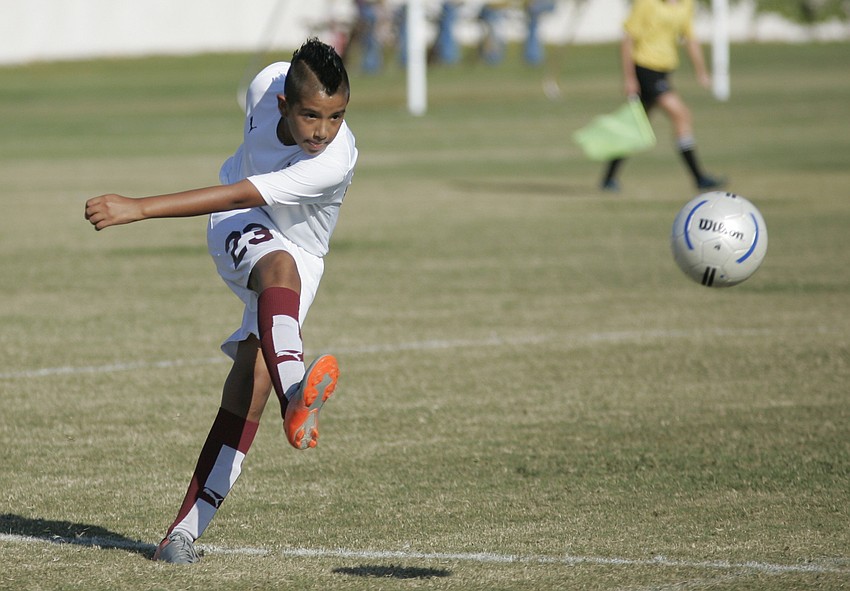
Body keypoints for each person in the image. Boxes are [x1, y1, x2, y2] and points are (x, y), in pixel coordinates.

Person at [84, 38, 358, 564]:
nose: (323, 131)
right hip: (241, 224)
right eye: (310, 115)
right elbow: (237, 196)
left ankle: (181, 534)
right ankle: (297, 389)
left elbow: (252, 190)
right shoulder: (265, 85)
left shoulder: (334, 159)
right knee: (275, 270)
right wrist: (138, 208)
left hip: (302, 252)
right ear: (282, 103)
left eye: (337, 116)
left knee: (249, 384)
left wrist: (140, 207)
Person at [600, 0, 723, 192]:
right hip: (645, 69)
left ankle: (608, 179)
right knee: (681, 114)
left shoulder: (686, 4)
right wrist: (629, 78)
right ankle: (699, 177)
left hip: (664, 71)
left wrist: (701, 70)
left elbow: (690, 38)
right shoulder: (646, 4)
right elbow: (628, 40)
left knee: (637, 125)